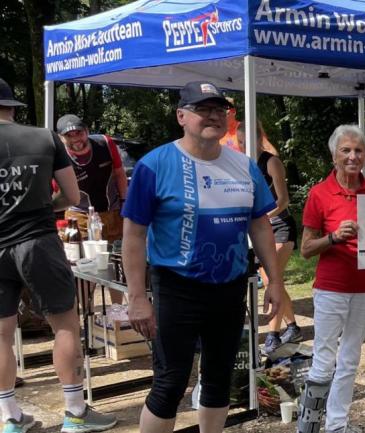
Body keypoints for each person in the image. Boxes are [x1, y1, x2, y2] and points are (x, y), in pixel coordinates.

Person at [121, 81, 284, 433]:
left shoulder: (245, 166)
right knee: (170, 383)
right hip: (177, 286)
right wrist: (136, 297)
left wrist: (275, 280)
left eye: (219, 109)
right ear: (181, 116)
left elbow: (260, 225)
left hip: (229, 286)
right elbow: (133, 235)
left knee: (219, 378)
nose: (212, 116)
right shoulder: (154, 165)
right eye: (202, 109)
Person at [0, 78, 117, 433]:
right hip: (37, 239)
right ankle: (75, 413)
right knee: (65, 324)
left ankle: (10, 418)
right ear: (11, 107)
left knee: (1, 334)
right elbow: (72, 196)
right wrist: (41, 205)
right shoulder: (45, 138)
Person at [296, 124, 365, 433]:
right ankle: (308, 427)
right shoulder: (319, 193)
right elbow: (305, 249)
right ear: (334, 156)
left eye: (358, 150)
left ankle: (336, 425)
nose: (353, 156)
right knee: (324, 359)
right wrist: (334, 237)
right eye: (346, 150)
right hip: (331, 288)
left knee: (350, 358)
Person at [236, 122, 302, 354]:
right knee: (272, 279)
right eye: (239, 142)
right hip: (259, 230)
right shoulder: (242, 164)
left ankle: (273, 335)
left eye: (246, 141)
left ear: (258, 139)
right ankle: (292, 326)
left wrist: (260, 218)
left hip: (281, 226)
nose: (242, 146)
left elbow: (283, 200)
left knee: (272, 277)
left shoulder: (271, 161)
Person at [56, 113, 127, 305]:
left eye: (79, 133)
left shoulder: (105, 143)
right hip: (77, 216)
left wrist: (125, 203)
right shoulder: (58, 154)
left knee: (114, 263)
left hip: (112, 212)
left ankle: (117, 311)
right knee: (82, 266)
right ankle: (85, 311)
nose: (75, 139)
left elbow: (120, 174)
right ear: (61, 138)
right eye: (69, 136)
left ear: (87, 131)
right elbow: (56, 191)